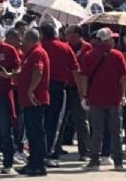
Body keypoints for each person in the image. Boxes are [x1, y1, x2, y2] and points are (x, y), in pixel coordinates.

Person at [79, 27, 126, 172]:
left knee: (97, 131)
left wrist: (84, 95)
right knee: (116, 132)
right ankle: (118, 162)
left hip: (95, 99)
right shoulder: (117, 55)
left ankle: (94, 161)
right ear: (108, 40)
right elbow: (124, 77)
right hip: (114, 99)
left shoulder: (89, 55)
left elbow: (84, 77)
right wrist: (123, 95)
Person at [38, 21, 79, 168]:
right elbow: (75, 69)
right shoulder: (65, 47)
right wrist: (81, 91)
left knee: (37, 121)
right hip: (58, 88)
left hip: (38, 87)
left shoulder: (38, 47)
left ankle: (37, 152)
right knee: (54, 122)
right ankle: (48, 152)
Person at [17, 28, 49, 177]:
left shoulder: (37, 53)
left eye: (24, 39)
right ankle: (32, 162)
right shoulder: (31, 53)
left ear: (30, 39)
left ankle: (38, 164)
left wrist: (30, 90)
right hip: (29, 100)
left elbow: (38, 71)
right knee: (31, 132)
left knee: (36, 132)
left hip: (35, 99)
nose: (22, 42)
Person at [0, 27, 21, 175]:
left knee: (5, 129)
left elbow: (18, 69)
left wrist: (8, 75)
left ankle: (8, 163)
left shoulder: (9, 49)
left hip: (4, 94)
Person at [62, 24, 92, 159]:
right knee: (60, 120)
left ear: (77, 34)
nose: (66, 35)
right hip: (64, 86)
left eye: (68, 33)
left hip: (78, 89)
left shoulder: (87, 48)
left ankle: (84, 151)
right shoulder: (64, 47)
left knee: (81, 120)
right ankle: (55, 149)